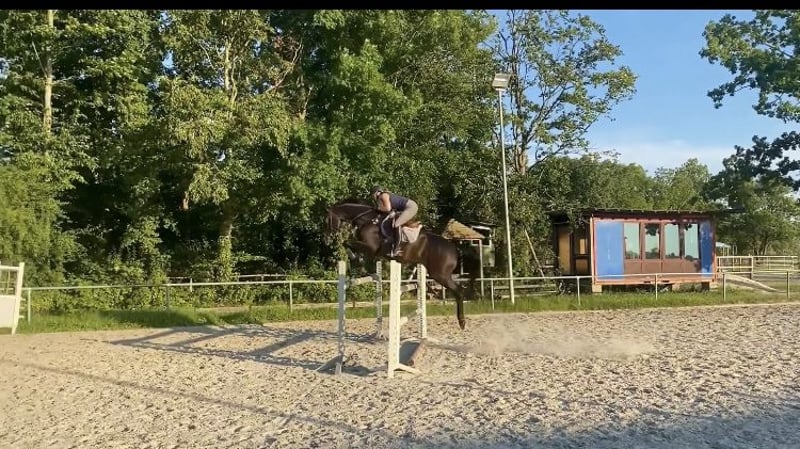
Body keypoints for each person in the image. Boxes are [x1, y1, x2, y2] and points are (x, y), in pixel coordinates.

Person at [370, 186, 418, 256]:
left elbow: (388, 209)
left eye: (373, 195)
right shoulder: (383, 196)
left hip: (410, 207)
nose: (373, 197)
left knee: (396, 224)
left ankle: (397, 248)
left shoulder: (383, 195)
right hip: (406, 207)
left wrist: (378, 208)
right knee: (392, 220)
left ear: (377, 193)